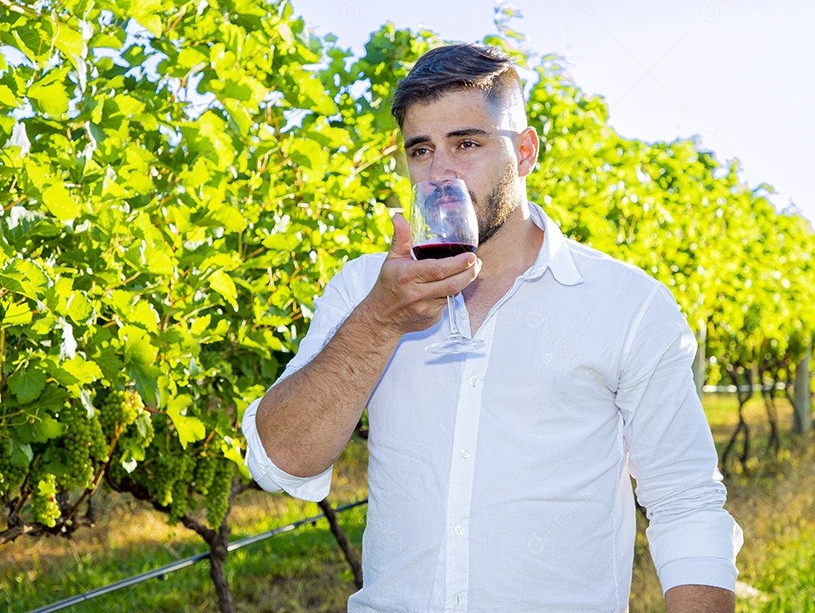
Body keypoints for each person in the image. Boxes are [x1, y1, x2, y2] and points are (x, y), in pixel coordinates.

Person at [242, 43, 743, 612]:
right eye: (421, 150)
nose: (440, 173)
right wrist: (379, 324)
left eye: (468, 143)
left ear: (525, 152)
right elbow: (278, 461)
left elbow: (686, 504)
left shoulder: (628, 306)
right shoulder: (366, 292)